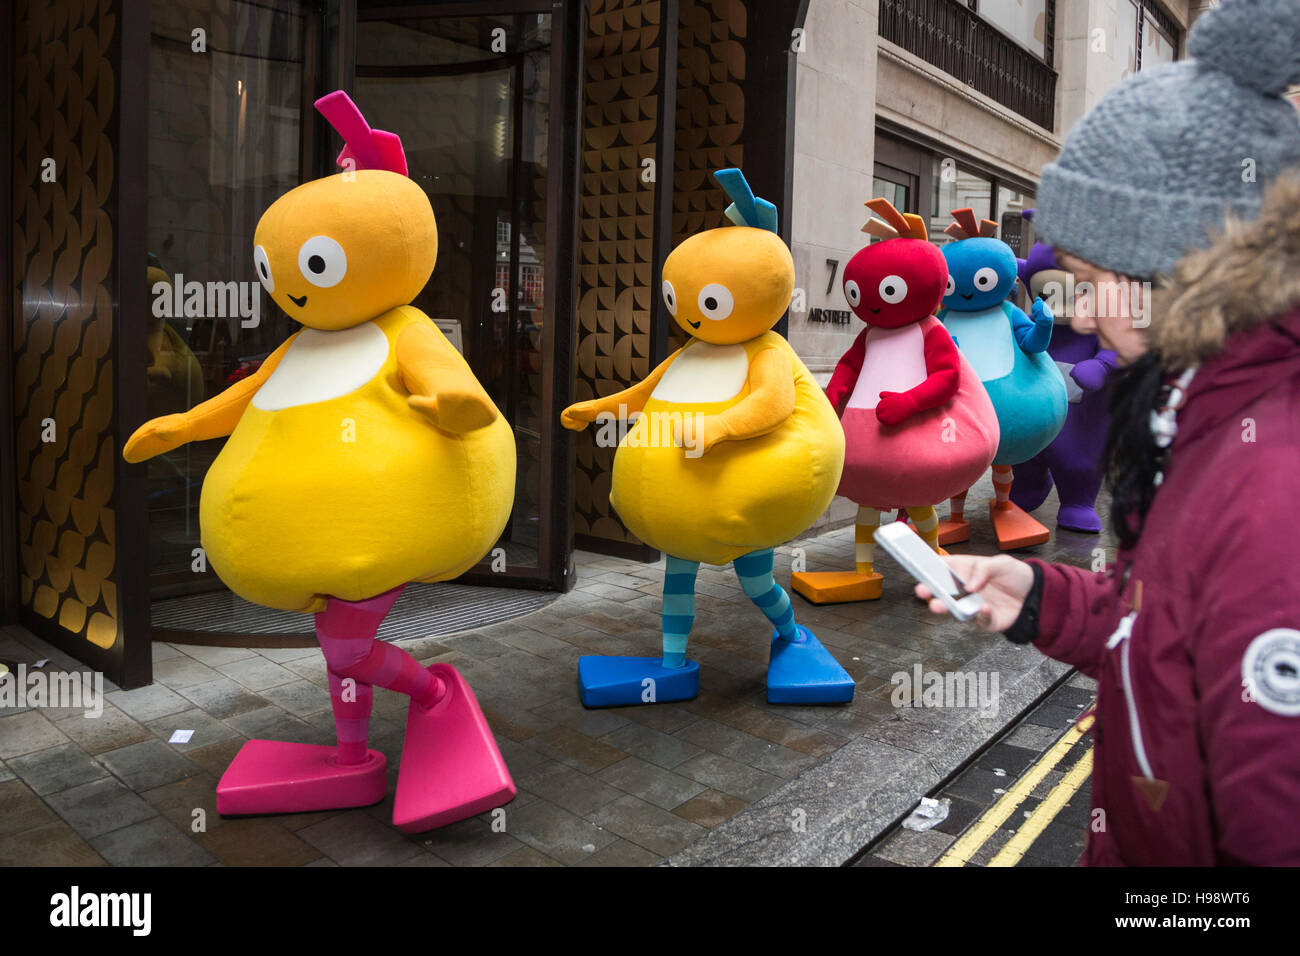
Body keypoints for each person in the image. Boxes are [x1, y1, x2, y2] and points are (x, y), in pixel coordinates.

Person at [917, 0, 1300, 865]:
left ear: (1187, 270)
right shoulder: (1206, 414)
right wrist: (1041, 598)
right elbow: (1168, 627)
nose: (1079, 312)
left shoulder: (1274, 484)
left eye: (1091, 281)